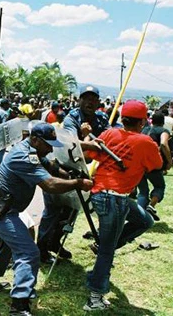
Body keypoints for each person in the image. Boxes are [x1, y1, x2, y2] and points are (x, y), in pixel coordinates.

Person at [0, 123, 94, 316]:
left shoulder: (32, 150)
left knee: (9, 245)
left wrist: (69, 174)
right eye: (47, 144)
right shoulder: (24, 157)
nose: (50, 148)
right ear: (34, 139)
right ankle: (19, 304)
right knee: (28, 252)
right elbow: (49, 184)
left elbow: (51, 167)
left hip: (1, 207)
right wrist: (78, 183)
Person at [83, 100, 162, 311]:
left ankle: (105, 247)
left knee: (145, 220)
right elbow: (158, 165)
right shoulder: (146, 142)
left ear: (122, 118)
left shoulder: (110, 134)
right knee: (107, 251)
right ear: (143, 121)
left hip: (104, 195)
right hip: (113, 198)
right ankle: (95, 296)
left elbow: (91, 153)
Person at [38, 85, 110, 264]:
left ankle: (55, 243)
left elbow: (109, 136)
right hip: (61, 168)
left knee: (71, 210)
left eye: (93, 99)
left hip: (84, 170)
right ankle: (41, 249)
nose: (90, 102)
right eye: (86, 98)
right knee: (52, 210)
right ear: (79, 100)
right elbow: (70, 143)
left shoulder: (101, 118)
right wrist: (87, 139)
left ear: (98, 102)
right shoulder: (72, 118)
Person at [137, 112, 172, 221]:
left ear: (152, 120)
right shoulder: (163, 131)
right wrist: (169, 160)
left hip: (139, 164)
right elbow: (163, 144)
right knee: (159, 186)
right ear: (163, 122)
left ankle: (139, 215)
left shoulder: (145, 130)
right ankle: (151, 206)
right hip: (153, 164)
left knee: (143, 191)